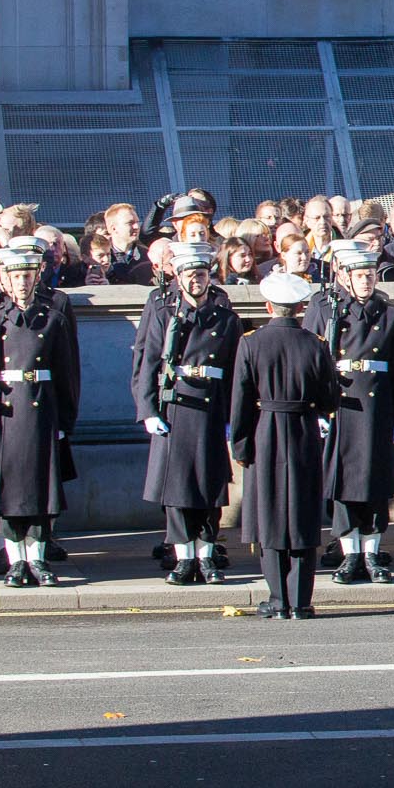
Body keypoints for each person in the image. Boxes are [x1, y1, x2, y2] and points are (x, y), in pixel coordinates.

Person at [133, 242, 242, 585]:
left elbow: (238, 371)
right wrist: (148, 409)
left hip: (210, 407)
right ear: (177, 277)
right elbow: (148, 363)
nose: (196, 280)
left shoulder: (226, 318)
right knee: (178, 490)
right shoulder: (166, 314)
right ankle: (183, 557)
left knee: (208, 488)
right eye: (189, 275)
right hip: (176, 405)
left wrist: (232, 416)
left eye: (202, 274)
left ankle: (207, 555)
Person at [230, 272, 335, 618]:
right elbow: (329, 397)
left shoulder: (251, 342)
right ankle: (301, 600)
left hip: (265, 432)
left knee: (270, 516)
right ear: (300, 308)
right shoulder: (315, 343)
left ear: (268, 306)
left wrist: (241, 446)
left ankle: (278, 599)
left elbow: (241, 400)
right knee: (303, 515)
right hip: (303, 430)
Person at [318, 247, 394, 585]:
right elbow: (313, 363)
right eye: (359, 274)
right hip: (341, 407)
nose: (366, 280)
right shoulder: (325, 311)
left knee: (375, 483)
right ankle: (350, 554)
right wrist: (318, 409)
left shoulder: (390, 315)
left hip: (377, 408)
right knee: (345, 485)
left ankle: (372, 552)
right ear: (343, 275)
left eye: (370, 274)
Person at [0, 245, 80, 587]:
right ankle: (15, 560)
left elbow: (67, 374)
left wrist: (65, 421)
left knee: (40, 489)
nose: (23, 282)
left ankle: (38, 558)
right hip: (7, 410)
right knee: (10, 490)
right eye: (16, 277)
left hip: (42, 410)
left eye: (27, 275)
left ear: (37, 275)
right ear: (6, 281)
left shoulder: (52, 319)